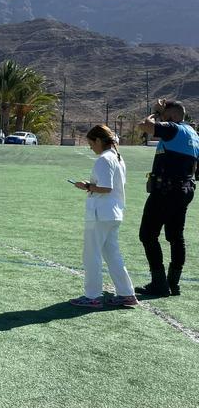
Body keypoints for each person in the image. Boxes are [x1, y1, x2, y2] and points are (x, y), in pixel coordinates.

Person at [69, 125, 139, 308]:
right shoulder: (117, 157)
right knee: (112, 254)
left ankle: (92, 296)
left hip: (100, 214)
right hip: (113, 213)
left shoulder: (104, 159)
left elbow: (106, 188)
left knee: (91, 255)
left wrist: (87, 186)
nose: (91, 147)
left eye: (91, 143)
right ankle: (126, 293)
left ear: (99, 140)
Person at [135, 100, 199, 296]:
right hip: (185, 190)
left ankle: (159, 283)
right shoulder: (194, 134)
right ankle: (173, 283)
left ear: (170, 115)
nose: (161, 118)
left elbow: (144, 126)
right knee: (175, 237)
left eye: (164, 114)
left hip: (165, 191)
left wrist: (154, 112)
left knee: (148, 235)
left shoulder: (173, 128)